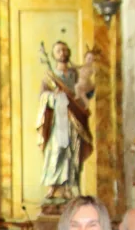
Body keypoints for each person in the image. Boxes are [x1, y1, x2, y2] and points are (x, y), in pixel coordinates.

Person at [36, 40, 93, 202]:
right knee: (56, 151)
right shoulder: (49, 76)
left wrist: (85, 93)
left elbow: (86, 92)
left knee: (71, 152)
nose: (62, 53)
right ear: (54, 55)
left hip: (74, 121)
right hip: (57, 122)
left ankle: (69, 186)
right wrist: (53, 96)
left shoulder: (75, 74)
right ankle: (53, 186)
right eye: (58, 51)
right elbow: (42, 96)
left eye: (64, 50)